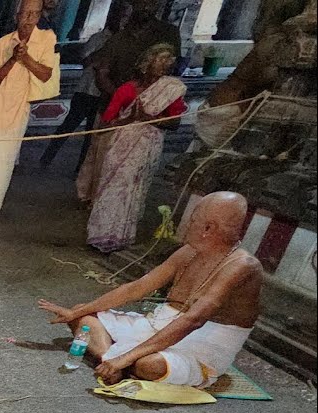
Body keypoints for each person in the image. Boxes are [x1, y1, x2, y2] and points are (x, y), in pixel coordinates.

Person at [39, 192, 261, 387]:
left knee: (149, 365)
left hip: (202, 343)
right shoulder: (189, 251)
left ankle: (122, 361)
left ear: (208, 228)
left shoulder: (242, 266)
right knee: (84, 318)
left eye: (193, 219)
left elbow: (193, 320)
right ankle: (112, 361)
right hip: (159, 325)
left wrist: (127, 357)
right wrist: (76, 313)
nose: (187, 223)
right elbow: (136, 289)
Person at [81, 44, 186, 253]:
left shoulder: (171, 89)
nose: (165, 66)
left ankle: (121, 238)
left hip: (147, 146)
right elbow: (106, 123)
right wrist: (129, 119)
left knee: (134, 190)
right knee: (111, 188)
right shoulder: (127, 89)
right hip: (121, 145)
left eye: (168, 61)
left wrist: (149, 119)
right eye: (160, 60)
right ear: (147, 63)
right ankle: (99, 235)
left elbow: (174, 123)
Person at [0, 0, 59, 222]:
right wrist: (13, 58)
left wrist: (25, 58)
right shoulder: (4, 42)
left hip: (19, 111)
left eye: (34, 15)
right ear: (17, 15)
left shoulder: (46, 39)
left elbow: (46, 74)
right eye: (25, 14)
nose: (29, 20)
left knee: (4, 164)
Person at [39, 3, 128, 168]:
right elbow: (86, 61)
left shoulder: (123, 43)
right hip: (86, 91)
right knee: (67, 127)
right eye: (120, 16)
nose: (122, 21)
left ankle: (80, 168)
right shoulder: (98, 38)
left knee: (91, 135)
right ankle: (46, 159)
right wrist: (105, 51)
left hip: (103, 94)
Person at [92, 0, 181, 102]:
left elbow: (174, 67)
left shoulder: (168, 34)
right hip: (118, 101)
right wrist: (122, 97)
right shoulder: (118, 38)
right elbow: (102, 73)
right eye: (142, 3)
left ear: (157, 5)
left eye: (151, 3)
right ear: (134, 5)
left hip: (154, 102)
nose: (146, 8)